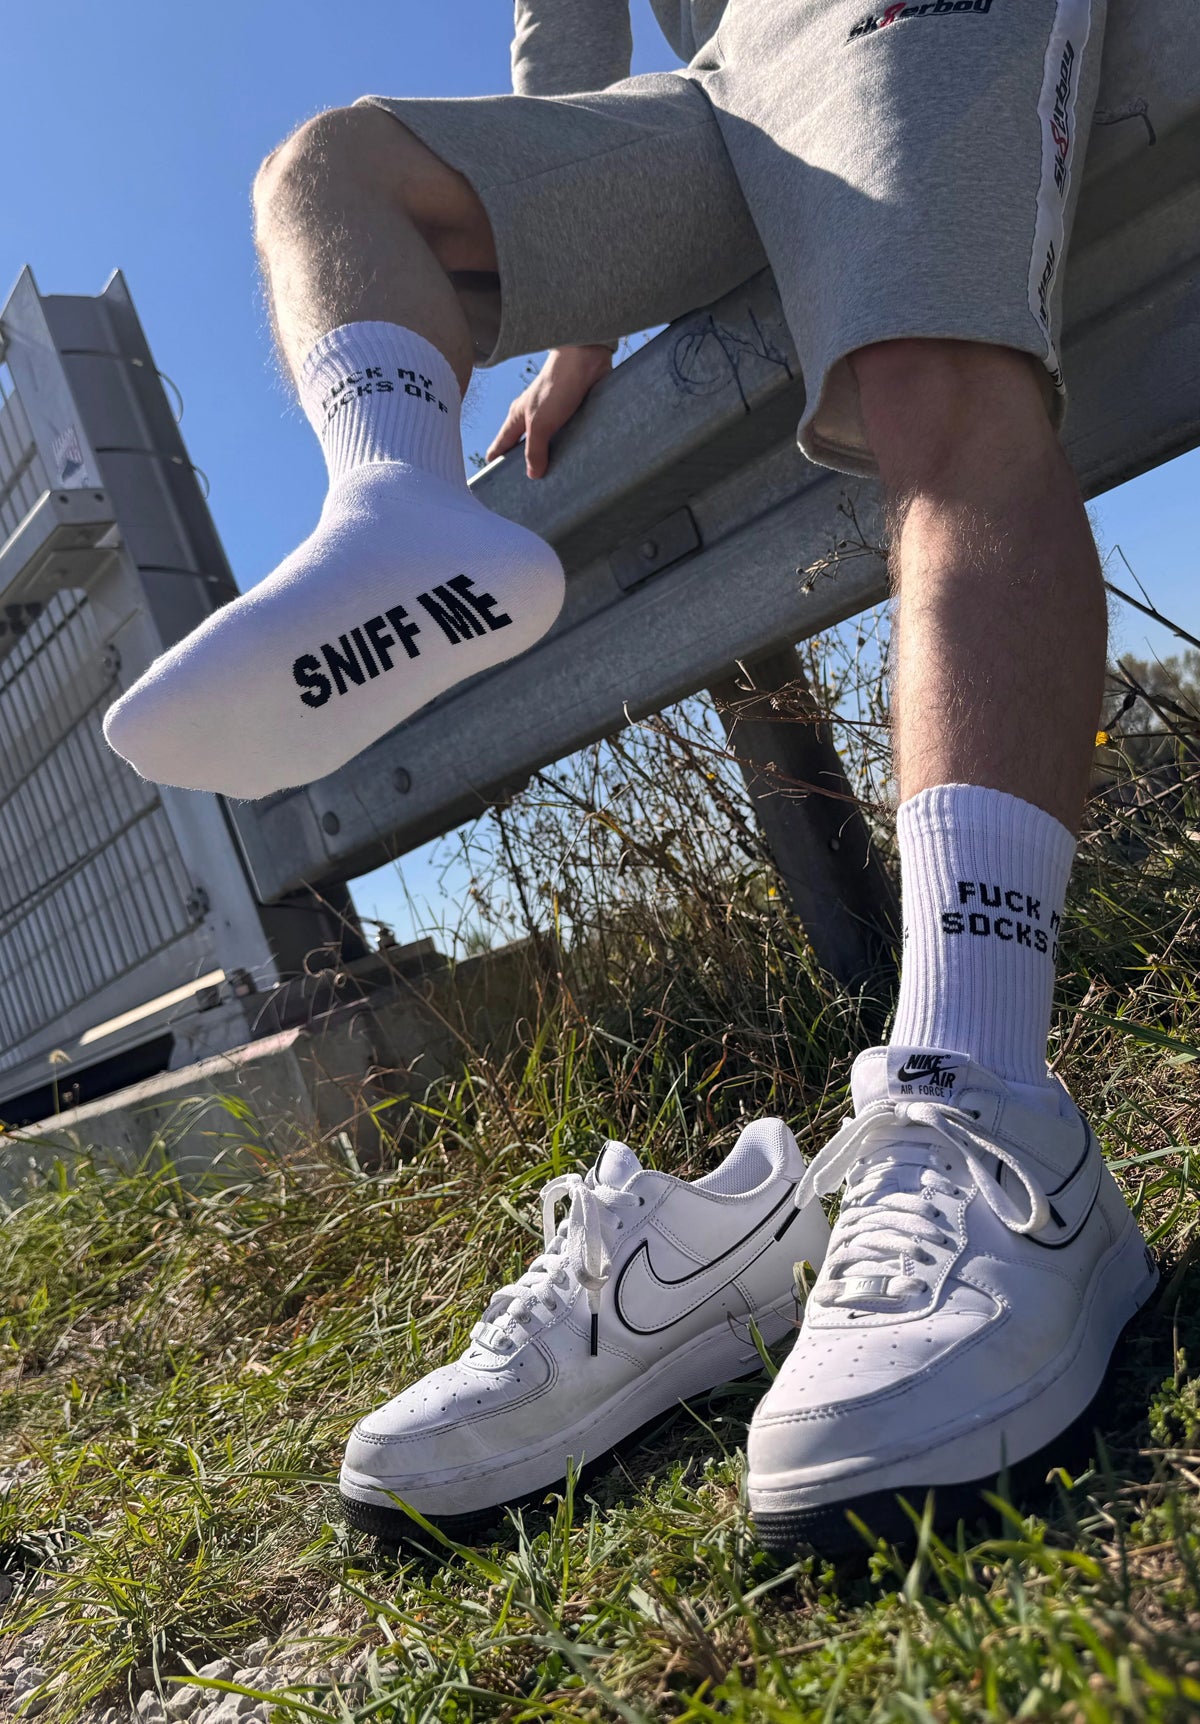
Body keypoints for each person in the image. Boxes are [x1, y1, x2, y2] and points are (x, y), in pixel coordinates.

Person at [104, 0, 1158, 1556]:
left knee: (935, 382)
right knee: (328, 172)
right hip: (717, 95)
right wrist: (577, 331)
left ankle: (984, 1100)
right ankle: (394, 504)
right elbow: (568, 21)